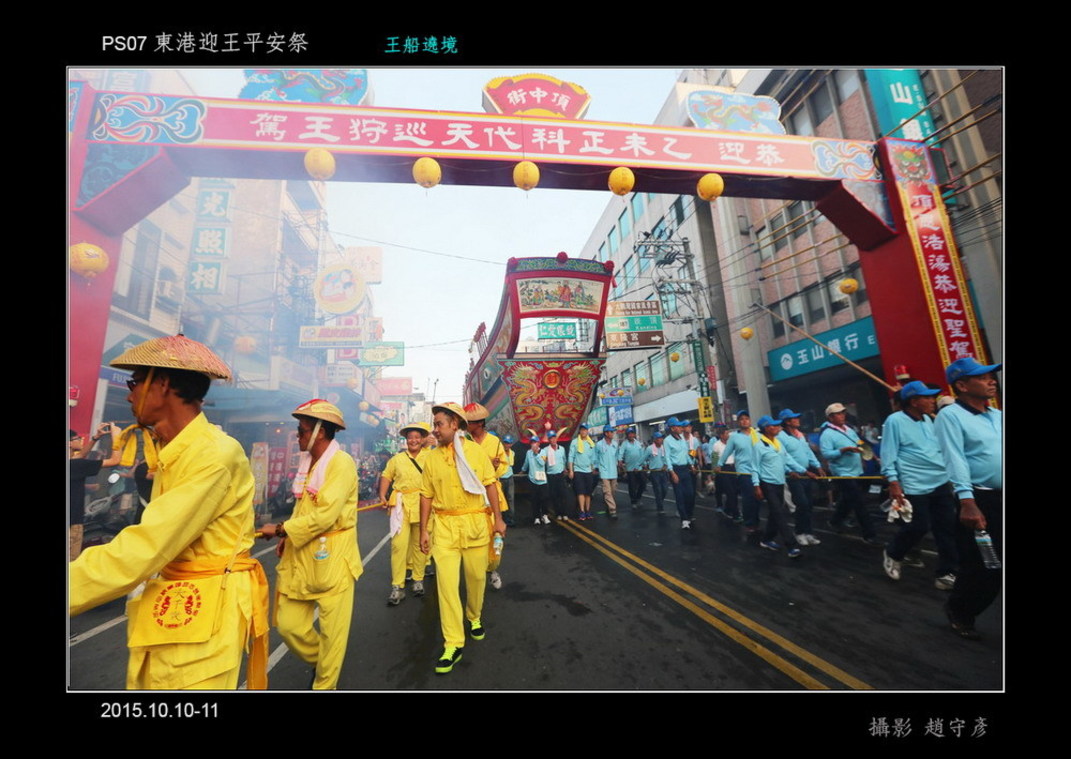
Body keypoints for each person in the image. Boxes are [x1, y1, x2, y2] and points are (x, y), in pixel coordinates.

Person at [69, 334, 270, 690]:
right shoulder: (172, 449)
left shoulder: (214, 455)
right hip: (173, 604)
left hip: (205, 617)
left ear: (161, 384)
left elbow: (146, 546)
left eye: (134, 382)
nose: (129, 394)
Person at [259, 400, 362, 689]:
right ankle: (325, 661)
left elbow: (326, 515)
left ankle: (324, 685)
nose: (297, 435)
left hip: (334, 557)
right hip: (302, 552)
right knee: (290, 625)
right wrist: (288, 537)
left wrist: (281, 529)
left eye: (301, 430)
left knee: (333, 632)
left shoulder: (341, 463)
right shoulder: (308, 463)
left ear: (319, 432)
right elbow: (303, 508)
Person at [420, 402, 507, 674]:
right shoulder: (431, 458)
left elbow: (490, 484)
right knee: (446, 586)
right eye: (434, 425)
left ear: (454, 424)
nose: (435, 430)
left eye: (439, 424)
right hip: (444, 526)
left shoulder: (475, 453)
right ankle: (453, 642)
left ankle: (474, 616)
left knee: (477, 578)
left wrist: (499, 519)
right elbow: (426, 494)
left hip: (475, 525)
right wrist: (423, 529)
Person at [934, 358, 1002, 640]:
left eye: (991, 376)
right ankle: (960, 609)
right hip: (980, 500)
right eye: (983, 377)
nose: (992, 381)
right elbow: (955, 459)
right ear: (962, 385)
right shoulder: (951, 416)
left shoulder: (996, 415)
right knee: (986, 565)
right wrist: (967, 500)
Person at [878, 382, 959, 587]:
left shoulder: (928, 420)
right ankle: (893, 552)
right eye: (928, 398)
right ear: (914, 402)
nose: (933, 401)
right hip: (914, 484)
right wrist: (894, 482)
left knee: (947, 527)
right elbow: (888, 454)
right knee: (919, 526)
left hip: (940, 481)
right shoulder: (894, 421)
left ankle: (947, 573)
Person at [380, 421, 431, 606]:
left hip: (423, 504)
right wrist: (381, 495)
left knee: (421, 545)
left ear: (423, 439)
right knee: (398, 546)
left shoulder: (431, 457)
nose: (414, 440)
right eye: (410, 438)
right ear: (406, 440)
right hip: (401, 505)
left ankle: (418, 579)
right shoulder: (397, 459)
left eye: (417, 437)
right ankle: (397, 586)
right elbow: (386, 475)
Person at [752, 416, 816, 557]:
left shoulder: (778, 444)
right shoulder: (759, 446)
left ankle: (767, 539)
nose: (777, 428)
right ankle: (791, 546)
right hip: (767, 484)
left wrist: (805, 471)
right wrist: (756, 486)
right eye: (774, 426)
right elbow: (755, 467)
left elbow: (789, 461)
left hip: (779, 483)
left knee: (775, 513)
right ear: (766, 428)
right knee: (780, 513)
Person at [820, 402, 880, 545]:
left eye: (843, 413)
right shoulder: (827, 434)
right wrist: (844, 450)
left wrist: (874, 457)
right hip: (842, 472)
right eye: (838, 414)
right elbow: (827, 454)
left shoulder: (849, 429)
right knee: (859, 501)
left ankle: (835, 520)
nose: (842, 416)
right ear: (830, 417)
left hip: (856, 470)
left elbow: (860, 443)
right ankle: (869, 533)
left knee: (848, 499)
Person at [464, 403, 509, 589]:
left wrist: (495, 466)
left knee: (496, 534)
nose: (466, 425)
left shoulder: (495, 442)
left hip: (491, 493)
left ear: (479, 423)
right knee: (474, 535)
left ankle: (493, 568)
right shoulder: (463, 442)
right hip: (470, 494)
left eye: (470, 422)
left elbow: (504, 465)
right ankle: (477, 571)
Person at [69, 423, 120, 560]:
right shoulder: (77, 465)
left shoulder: (74, 464)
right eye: (77, 438)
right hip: (71, 524)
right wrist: (117, 437)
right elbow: (115, 460)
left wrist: (95, 438)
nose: (81, 440)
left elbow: (80, 456)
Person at [778, 409, 823, 546]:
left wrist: (818, 466)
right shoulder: (780, 436)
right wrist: (802, 470)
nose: (798, 419)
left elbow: (808, 451)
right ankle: (799, 532)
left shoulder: (800, 435)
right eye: (794, 418)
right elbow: (785, 457)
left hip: (806, 473)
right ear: (787, 421)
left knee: (808, 504)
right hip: (794, 475)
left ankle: (808, 532)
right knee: (801, 504)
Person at [719, 410, 759, 531]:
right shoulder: (734, 437)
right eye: (741, 419)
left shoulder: (757, 434)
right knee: (749, 498)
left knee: (758, 498)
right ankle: (749, 523)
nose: (744, 421)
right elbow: (727, 452)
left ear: (750, 421)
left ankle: (755, 521)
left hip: (758, 471)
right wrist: (720, 464)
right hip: (743, 472)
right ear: (738, 422)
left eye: (747, 418)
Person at [664, 417, 696, 529]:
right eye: (678, 426)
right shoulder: (667, 441)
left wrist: (691, 464)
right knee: (680, 496)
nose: (681, 428)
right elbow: (667, 458)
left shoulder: (682, 438)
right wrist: (672, 473)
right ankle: (684, 519)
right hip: (675, 470)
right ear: (672, 428)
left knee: (690, 494)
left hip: (685, 469)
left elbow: (686, 454)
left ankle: (689, 514)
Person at [567, 423, 596, 520]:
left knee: (588, 492)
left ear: (587, 431)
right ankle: (582, 511)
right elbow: (571, 457)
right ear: (579, 431)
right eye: (582, 429)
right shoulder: (575, 442)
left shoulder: (591, 443)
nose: (583, 431)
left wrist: (593, 467)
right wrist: (571, 470)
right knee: (580, 492)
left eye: (585, 430)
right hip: (578, 470)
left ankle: (588, 510)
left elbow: (593, 457)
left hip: (588, 471)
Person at [711, 424, 740, 521]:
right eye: (726, 433)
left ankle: (728, 509)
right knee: (730, 492)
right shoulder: (716, 445)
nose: (728, 435)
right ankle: (735, 514)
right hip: (723, 469)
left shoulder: (731, 443)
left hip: (733, 468)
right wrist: (714, 471)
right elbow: (714, 459)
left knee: (735, 491)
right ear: (721, 435)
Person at [541, 430, 570, 520]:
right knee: (554, 495)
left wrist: (565, 469)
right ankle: (558, 513)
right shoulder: (545, 450)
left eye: (554, 438)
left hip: (560, 474)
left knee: (563, 494)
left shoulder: (561, 449)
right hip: (551, 475)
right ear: (549, 440)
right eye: (551, 438)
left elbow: (564, 460)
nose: (553, 440)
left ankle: (564, 513)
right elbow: (542, 462)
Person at [521, 436, 549, 524]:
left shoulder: (543, 452)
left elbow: (542, 463)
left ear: (538, 443)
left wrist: (536, 454)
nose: (533, 444)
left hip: (542, 480)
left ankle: (545, 515)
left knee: (544, 498)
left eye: (535, 442)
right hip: (533, 480)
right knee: (534, 499)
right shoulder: (528, 452)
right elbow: (526, 463)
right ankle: (536, 517)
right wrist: (522, 470)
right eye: (532, 442)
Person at [618, 426, 647, 510]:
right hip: (630, 468)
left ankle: (638, 497)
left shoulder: (638, 443)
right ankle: (633, 501)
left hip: (639, 467)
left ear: (634, 434)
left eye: (632, 433)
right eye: (629, 434)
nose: (631, 435)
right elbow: (621, 453)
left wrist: (644, 463)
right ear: (627, 435)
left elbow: (642, 454)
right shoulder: (624, 444)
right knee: (632, 486)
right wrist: (620, 460)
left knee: (643, 483)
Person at [594, 427, 621, 518]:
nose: (612, 434)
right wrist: (596, 467)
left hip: (613, 471)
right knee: (607, 491)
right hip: (604, 471)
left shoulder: (615, 444)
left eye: (613, 432)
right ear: (606, 433)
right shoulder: (599, 444)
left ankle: (608, 505)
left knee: (613, 491)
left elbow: (617, 456)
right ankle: (613, 510)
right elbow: (595, 457)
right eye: (611, 432)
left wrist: (618, 465)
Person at [643, 431, 669, 515]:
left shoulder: (664, 448)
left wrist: (665, 465)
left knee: (665, 489)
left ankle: (659, 501)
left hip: (663, 471)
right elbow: (643, 458)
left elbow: (666, 458)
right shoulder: (649, 448)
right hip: (654, 472)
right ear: (654, 440)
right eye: (659, 438)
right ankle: (660, 507)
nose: (661, 440)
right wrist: (644, 465)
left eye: (661, 438)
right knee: (658, 490)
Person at [499, 435, 517, 527]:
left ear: (511, 444)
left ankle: (511, 518)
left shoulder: (512, 453)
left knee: (510, 498)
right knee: (501, 500)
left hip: (510, 478)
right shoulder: (499, 452)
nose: (507, 445)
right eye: (506, 442)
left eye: (509, 443)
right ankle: (501, 518)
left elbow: (511, 464)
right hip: (501, 478)